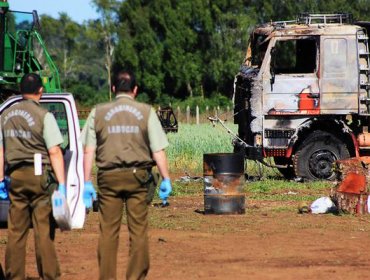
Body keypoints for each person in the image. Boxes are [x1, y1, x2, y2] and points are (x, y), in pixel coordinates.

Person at [81, 70, 172, 280]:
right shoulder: (146, 111)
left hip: (108, 177)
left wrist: (86, 181)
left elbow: (88, 150)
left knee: (108, 232)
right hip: (138, 177)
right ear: (135, 90)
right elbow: (158, 150)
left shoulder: (98, 112)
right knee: (138, 230)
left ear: (113, 89)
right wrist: (166, 178)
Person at [0, 73, 66, 279]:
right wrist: (62, 184)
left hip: (15, 177)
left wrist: (1, 179)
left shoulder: (6, 115)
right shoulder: (44, 116)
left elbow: (0, 151)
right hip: (40, 177)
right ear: (41, 91)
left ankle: (13, 275)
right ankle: (49, 275)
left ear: (20, 91)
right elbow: (55, 151)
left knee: (16, 232)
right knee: (43, 230)